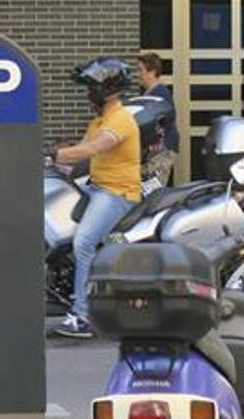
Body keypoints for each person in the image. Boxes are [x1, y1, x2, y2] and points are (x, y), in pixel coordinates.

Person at [50, 57, 141, 338]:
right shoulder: (101, 119)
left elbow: (94, 148)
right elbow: (82, 151)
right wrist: (53, 164)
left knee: (84, 242)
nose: (88, 95)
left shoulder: (121, 119)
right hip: (97, 186)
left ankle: (82, 315)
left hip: (117, 193)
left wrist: (57, 154)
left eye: (90, 89)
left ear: (104, 89)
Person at [136, 53, 179, 185]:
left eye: (140, 70)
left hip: (161, 152)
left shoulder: (159, 94)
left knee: (153, 192)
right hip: (152, 153)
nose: (138, 74)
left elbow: (161, 120)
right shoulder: (150, 93)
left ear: (152, 72)